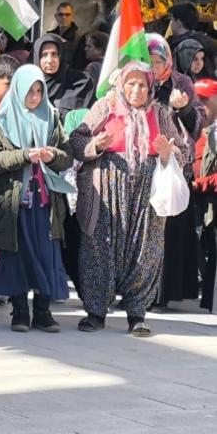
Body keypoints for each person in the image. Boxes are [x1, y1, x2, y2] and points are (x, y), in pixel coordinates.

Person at [70, 62, 187, 336]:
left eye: (143, 85)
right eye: (131, 83)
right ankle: (95, 312)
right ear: (121, 85)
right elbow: (76, 141)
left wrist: (168, 155)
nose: (136, 90)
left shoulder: (159, 114)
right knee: (99, 247)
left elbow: (183, 150)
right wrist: (96, 145)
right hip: (105, 192)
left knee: (145, 250)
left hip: (147, 194)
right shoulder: (105, 106)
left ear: (150, 88)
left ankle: (137, 314)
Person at [0, 65, 74, 333]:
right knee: (17, 255)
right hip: (15, 204)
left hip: (46, 205)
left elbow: (67, 156)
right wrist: (25, 155)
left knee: (46, 255)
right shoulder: (0, 121)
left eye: (39, 91)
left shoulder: (51, 117)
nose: (35, 97)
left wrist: (52, 156)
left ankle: (43, 311)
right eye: (29, 91)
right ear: (17, 91)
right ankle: (20, 311)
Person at [147, 33, 205, 308]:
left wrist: (183, 109)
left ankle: (162, 294)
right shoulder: (137, 81)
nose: (153, 66)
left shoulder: (181, 83)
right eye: (148, 60)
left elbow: (197, 124)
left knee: (169, 231)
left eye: (158, 61)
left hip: (173, 164)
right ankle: (137, 290)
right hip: (144, 163)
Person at [192, 78, 217, 312]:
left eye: (205, 100)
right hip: (191, 196)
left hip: (209, 199)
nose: (200, 105)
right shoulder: (190, 125)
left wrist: (199, 184)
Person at [34, 33, 95, 121]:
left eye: (54, 54)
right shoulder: (29, 86)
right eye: (44, 55)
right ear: (37, 58)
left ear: (61, 55)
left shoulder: (81, 82)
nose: (50, 60)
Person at [168, 2, 217, 73]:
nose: (171, 23)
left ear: (178, 23)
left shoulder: (178, 46)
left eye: (172, 20)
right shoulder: (207, 40)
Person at [47, 2, 81, 68]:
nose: (64, 17)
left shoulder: (78, 37)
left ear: (72, 17)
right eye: (60, 14)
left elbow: (79, 62)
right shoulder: (50, 35)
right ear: (56, 16)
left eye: (67, 15)